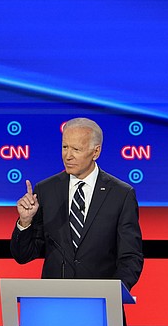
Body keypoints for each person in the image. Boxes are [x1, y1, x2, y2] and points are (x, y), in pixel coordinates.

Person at [11, 117, 143, 290]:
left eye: (76, 149)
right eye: (65, 147)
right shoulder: (46, 190)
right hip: (55, 302)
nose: (68, 155)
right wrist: (25, 222)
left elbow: (130, 257)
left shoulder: (121, 194)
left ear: (96, 152)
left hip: (100, 304)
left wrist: (113, 293)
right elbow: (23, 255)